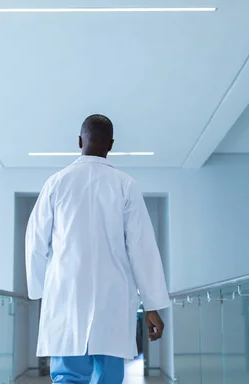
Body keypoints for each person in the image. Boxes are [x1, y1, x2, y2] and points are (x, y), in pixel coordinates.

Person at [26, 114, 170, 384]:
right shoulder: (125, 185)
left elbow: (35, 241)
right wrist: (151, 304)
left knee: (67, 375)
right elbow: (142, 248)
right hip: (112, 297)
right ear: (111, 145)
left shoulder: (56, 183)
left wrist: (39, 290)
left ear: (79, 140)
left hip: (66, 294)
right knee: (108, 374)